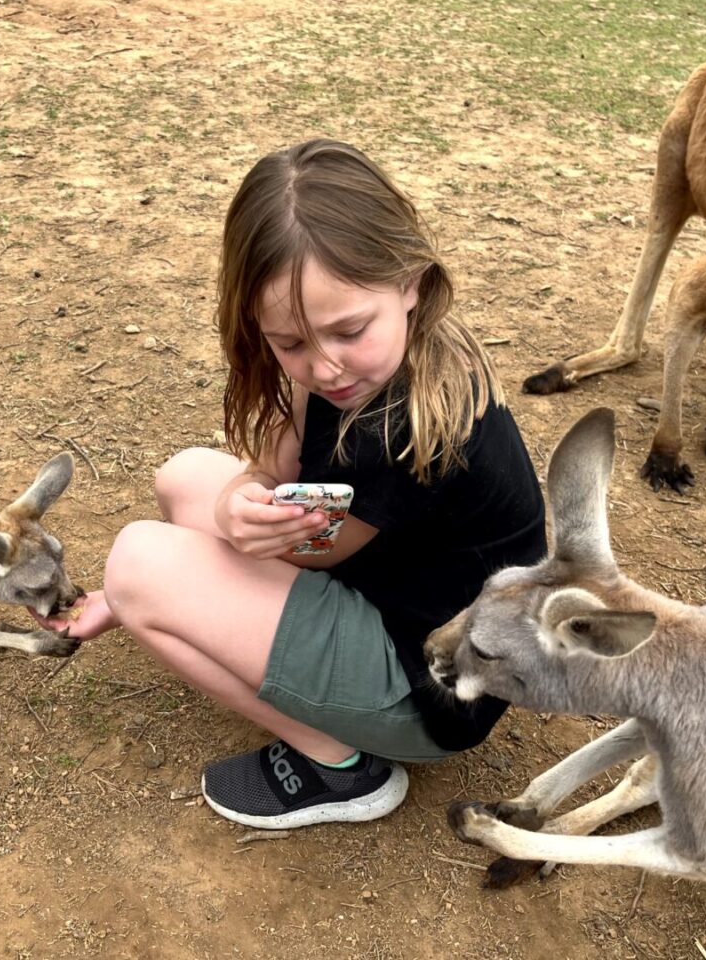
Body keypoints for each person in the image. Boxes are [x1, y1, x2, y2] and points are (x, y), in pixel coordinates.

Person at [42, 139, 546, 830]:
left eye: (347, 331)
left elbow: (312, 549)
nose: (325, 367)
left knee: (137, 564)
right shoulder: (377, 359)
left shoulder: (407, 426)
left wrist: (160, 583)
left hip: (428, 687)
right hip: (392, 595)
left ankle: (341, 765)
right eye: (291, 344)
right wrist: (233, 498)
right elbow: (268, 471)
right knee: (184, 478)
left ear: (411, 283)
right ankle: (186, 606)